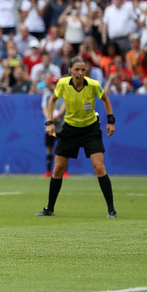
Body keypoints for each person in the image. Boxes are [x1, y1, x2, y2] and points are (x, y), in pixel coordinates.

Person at [38, 56, 117, 218]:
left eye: (83, 70)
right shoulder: (62, 84)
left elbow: (106, 100)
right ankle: (49, 209)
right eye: (77, 70)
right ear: (70, 71)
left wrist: (111, 121)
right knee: (58, 168)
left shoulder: (93, 85)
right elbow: (52, 100)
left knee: (99, 167)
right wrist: (49, 122)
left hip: (90, 130)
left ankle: (111, 210)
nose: (80, 73)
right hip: (70, 130)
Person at [41, 76, 65, 178]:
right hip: (50, 126)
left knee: (63, 149)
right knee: (49, 148)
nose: (55, 86)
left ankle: (64, 171)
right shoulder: (46, 96)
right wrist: (49, 118)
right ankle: (48, 171)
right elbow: (44, 109)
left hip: (61, 126)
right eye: (53, 84)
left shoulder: (64, 95)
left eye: (57, 84)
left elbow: (63, 108)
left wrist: (57, 116)